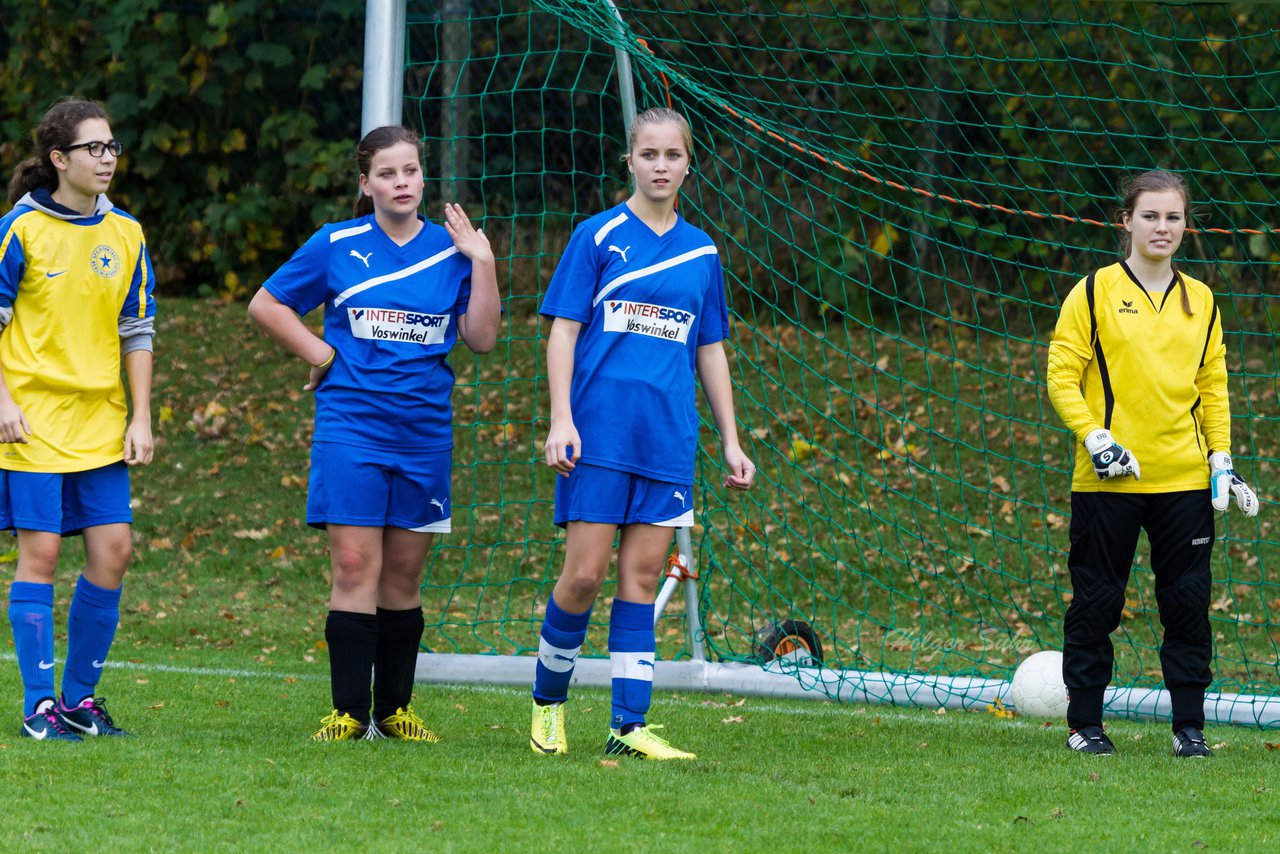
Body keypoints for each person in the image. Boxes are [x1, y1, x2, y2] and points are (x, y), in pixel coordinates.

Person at [248, 125, 499, 742]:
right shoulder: (337, 243)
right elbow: (266, 305)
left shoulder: (450, 250)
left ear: (423, 176)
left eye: (410, 171)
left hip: (423, 433)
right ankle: (348, 712)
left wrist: (484, 262)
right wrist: (324, 354)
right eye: (387, 173)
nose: (402, 183)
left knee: (404, 577)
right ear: (366, 183)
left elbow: (483, 338)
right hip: (351, 428)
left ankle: (394, 711)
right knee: (356, 562)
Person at [530, 107, 755, 761]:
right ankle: (548, 707)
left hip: (667, 439)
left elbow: (710, 349)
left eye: (672, 156)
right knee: (583, 577)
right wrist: (561, 418)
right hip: (597, 435)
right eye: (648, 154)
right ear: (628, 161)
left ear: (689, 164)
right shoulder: (597, 237)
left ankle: (629, 728)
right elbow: (563, 332)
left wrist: (731, 440)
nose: (660, 166)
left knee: (644, 574)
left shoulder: (702, 251)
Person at [1046, 169, 1258, 758]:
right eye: (1150, 216)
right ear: (1126, 222)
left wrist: (1221, 458)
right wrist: (1094, 438)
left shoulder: (1203, 300)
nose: (1162, 227)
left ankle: (1189, 730)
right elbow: (1061, 376)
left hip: (1186, 484)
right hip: (1107, 481)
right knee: (1097, 604)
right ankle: (1085, 724)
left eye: (1172, 217)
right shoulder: (1091, 292)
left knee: (1186, 607)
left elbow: (1212, 387)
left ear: (1185, 225)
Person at [0, 98, 156, 741]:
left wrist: (141, 416)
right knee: (39, 555)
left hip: (100, 421)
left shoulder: (127, 233)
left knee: (113, 552)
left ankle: (79, 700)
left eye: (112, 147)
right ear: (59, 159)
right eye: (94, 148)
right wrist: (4, 402)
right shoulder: (19, 229)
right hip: (31, 419)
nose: (107, 158)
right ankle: (40, 706)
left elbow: (137, 329)